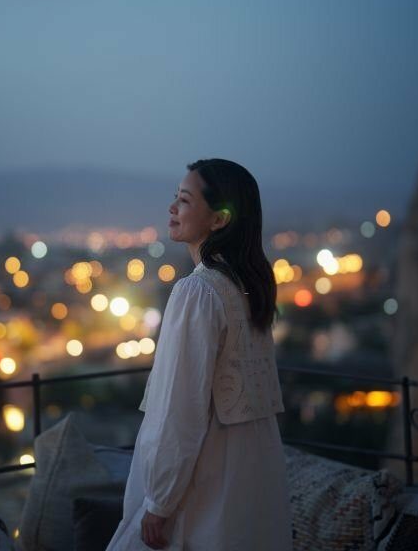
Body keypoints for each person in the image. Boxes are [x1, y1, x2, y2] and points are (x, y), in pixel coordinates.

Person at [106, 159, 292, 550]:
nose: (172, 208)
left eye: (185, 200)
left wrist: (160, 499)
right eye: (175, 197)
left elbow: (180, 406)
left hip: (206, 480)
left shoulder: (199, 292)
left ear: (219, 220)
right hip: (252, 473)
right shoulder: (246, 286)